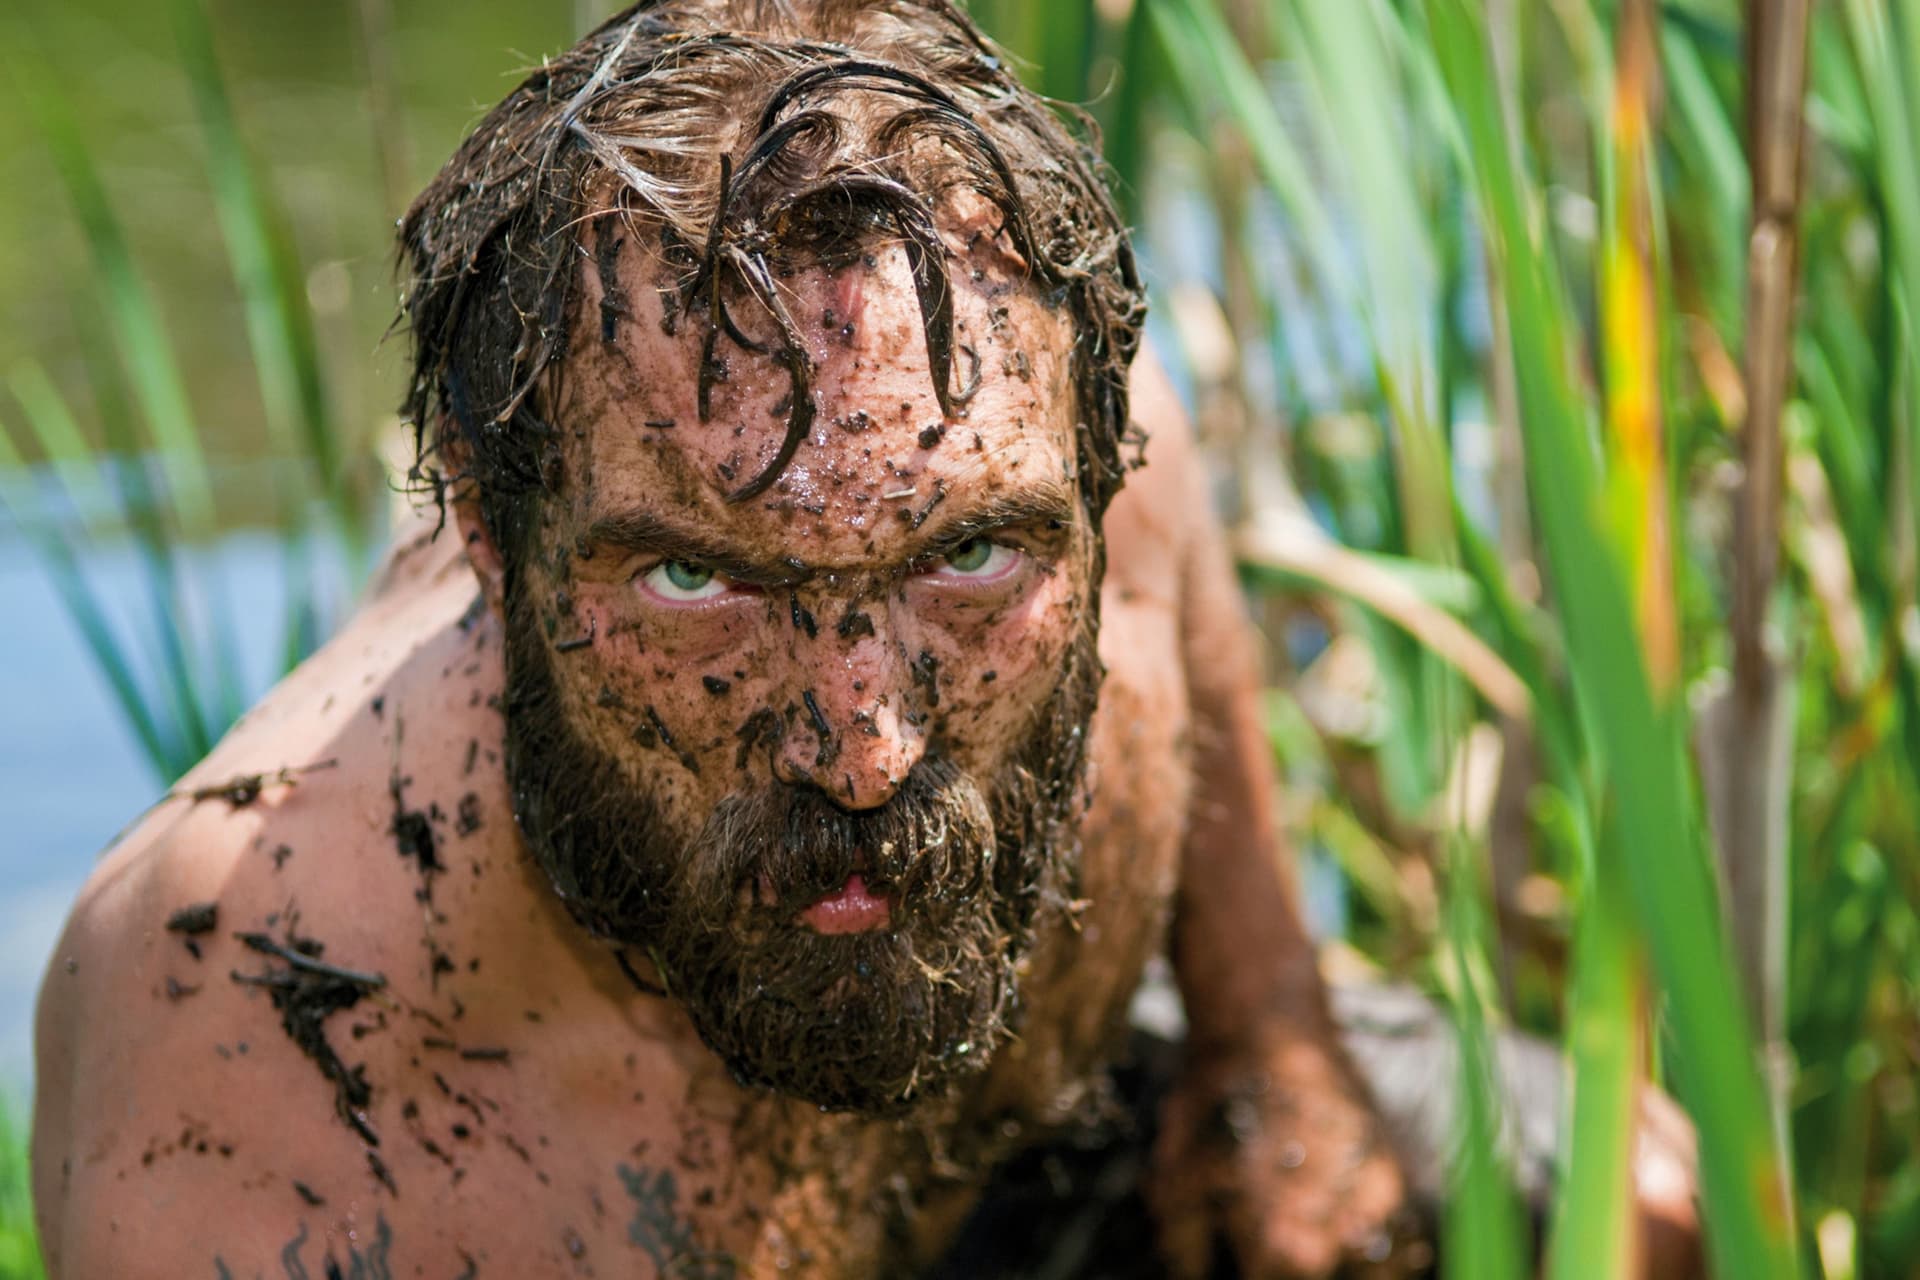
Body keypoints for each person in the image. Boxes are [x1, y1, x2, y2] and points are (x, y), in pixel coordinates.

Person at [30, 3, 1692, 1276]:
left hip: (1023, 1173)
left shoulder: (1031, 409)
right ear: (486, 524)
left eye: (965, 558)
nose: (862, 743)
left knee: (1636, 1197)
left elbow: (1187, 624)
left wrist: (1273, 1050)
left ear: (1095, 467)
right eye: (699, 587)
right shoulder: (255, 1059)